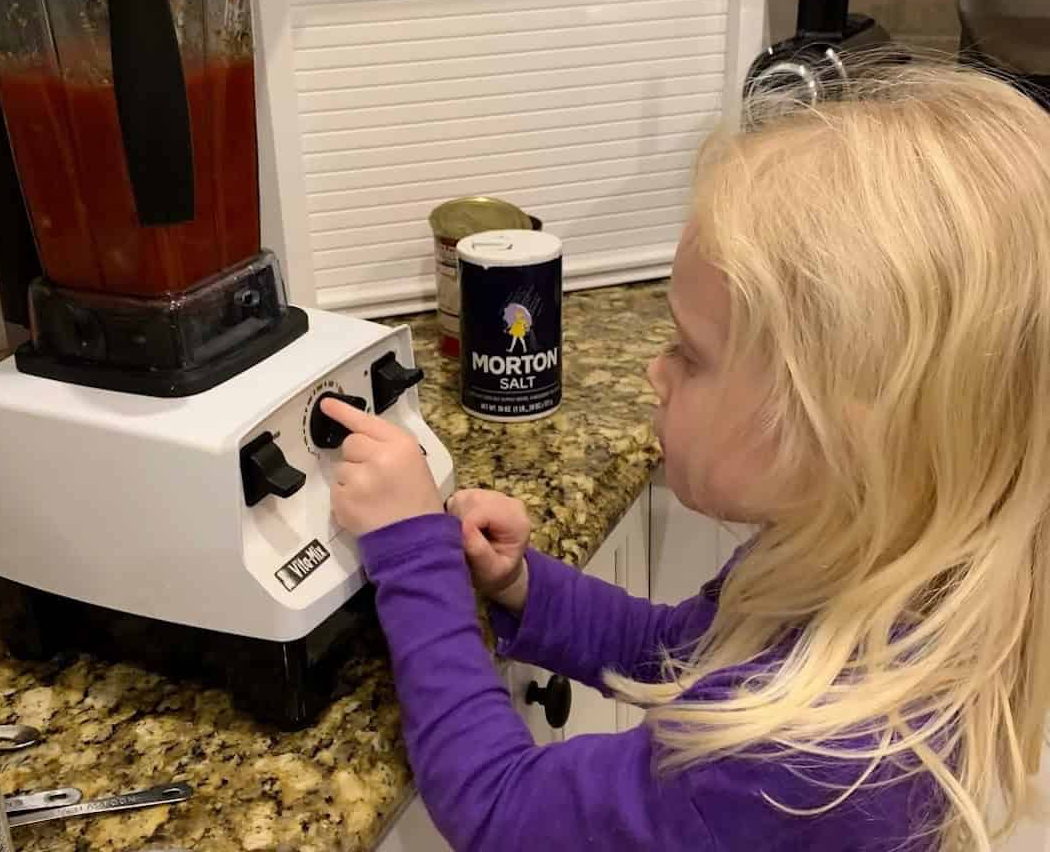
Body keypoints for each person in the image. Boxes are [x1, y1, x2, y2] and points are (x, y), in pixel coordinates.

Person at [320, 61, 1050, 851]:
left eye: (690, 354)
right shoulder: (886, 580)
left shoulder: (800, 765)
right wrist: (524, 589)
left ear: (847, 434)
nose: (654, 372)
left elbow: (502, 813)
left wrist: (412, 556)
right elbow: (685, 654)